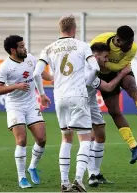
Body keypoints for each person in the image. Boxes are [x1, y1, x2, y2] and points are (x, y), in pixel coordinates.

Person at [33, 15, 100, 192]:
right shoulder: (82, 45)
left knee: (66, 137)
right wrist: (86, 84)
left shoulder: (48, 48)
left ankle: (64, 182)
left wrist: (41, 94)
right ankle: (78, 179)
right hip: (78, 95)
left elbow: (35, 74)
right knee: (86, 137)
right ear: (74, 29)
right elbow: (96, 68)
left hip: (59, 97)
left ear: (60, 29)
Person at [0, 35, 52, 188]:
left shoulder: (31, 58)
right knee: (21, 141)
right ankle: (22, 178)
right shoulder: (5, 66)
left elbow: (40, 73)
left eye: (24, 45)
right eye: (21, 46)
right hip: (15, 106)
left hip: (32, 103)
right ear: (13, 50)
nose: (24, 48)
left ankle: (32, 167)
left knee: (41, 139)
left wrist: (48, 86)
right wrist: (16, 86)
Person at [89, 25, 137, 164]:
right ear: (118, 40)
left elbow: (120, 66)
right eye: (127, 44)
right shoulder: (100, 41)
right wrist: (116, 69)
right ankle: (134, 146)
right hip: (105, 76)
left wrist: (115, 68)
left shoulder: (133, 48)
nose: (130, 46)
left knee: (132, 88)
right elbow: (93, 61)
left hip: (120, 71)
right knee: (114, 111)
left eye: (131, 42)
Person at [85, 42, 132, 186]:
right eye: (105, 57)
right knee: (87, 138)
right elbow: (109, 87)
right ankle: (90, 175)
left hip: (90, 102)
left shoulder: (94, 67)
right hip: (81, 103)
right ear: (95, 56)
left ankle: (96, 173)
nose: (107, 60)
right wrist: (123, 73)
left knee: (99, 134)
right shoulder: (89, 70)